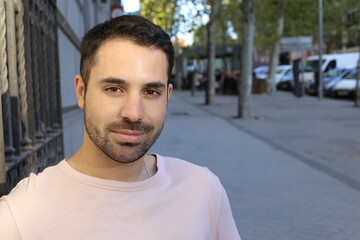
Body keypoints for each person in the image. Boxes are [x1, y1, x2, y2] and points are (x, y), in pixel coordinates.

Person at [0, 15, 241, 240]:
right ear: (81, 92)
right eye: (114, 89)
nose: (133, 113)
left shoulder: (203, 191)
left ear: (167, 96)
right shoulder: (20, 217)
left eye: (151, 92)